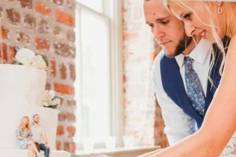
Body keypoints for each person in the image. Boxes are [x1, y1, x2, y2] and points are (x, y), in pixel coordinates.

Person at [140, 1, 236, 157]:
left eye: (187, 16)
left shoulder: (226, 45)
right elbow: (182, 138)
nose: (157, 34)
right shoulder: (161, 68)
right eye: (151, 26)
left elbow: (211, 141)